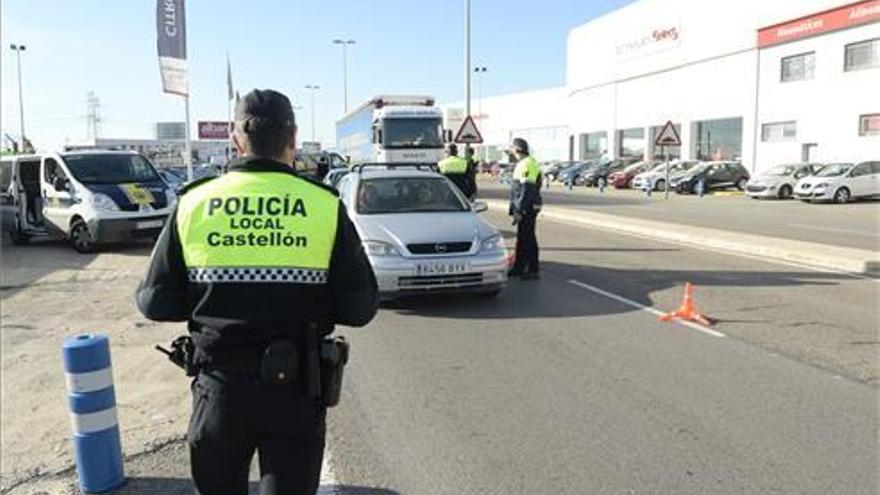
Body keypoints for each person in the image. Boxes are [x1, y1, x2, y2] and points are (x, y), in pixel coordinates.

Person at [135, 89, 378, 495]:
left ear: (236, 141)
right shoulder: (322, 205)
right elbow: (360, 308)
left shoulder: (194, 203)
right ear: (293, 139)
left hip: (219, 391)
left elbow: (155, 303)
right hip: (296, 392)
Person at [508, 137, 542, 280]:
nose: (511, 153)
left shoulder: (526, 164)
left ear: (517, 150)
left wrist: (519, 211)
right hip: (528, 205)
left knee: (528, 238)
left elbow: (525, 190)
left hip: (527, 207)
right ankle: (519, 267)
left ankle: (532, 269)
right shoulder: (527, 162)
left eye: (512, 150)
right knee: (523, 237)